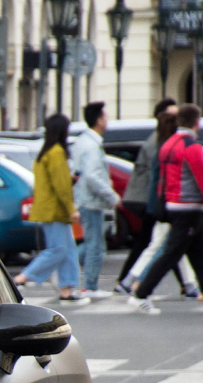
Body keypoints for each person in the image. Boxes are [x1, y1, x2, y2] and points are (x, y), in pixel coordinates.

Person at [128, 104, 203, 314]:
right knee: (171, 255)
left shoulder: (168, 144)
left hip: (174, 205)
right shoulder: (192, 148)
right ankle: (141, 294)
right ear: (197, 123)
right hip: (188, 207)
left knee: (201, 254)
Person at [119, 109, 200, 297]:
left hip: (162, 203)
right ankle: (132, 280)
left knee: (171, 245)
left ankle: (189, 284)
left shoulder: (161, 146)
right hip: (169, 203)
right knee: (161, 246)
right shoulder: (169, 148)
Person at [11, 114, 85, 301]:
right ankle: (22, 278)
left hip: (48, 208)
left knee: (68, 250)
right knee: (59, 249)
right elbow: (60, 186)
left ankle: (66, 290)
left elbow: (53, 182)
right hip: (55, 209)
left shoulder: (45, 153)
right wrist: (71, 209)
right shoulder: (57, 152)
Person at [115, 99, 177, 287]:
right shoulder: (157, 142)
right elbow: (157, 176)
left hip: (150, 199)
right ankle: (128, 281)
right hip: (147, 200)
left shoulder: (161, 140)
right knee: (155, 243)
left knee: (154, 242)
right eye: (173, 116)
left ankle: (126, 280)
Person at [72, 102, 120, 298]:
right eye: (106, 117)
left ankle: (66, 268)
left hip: (84, 199)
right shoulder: (92, 145)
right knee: (95, 245)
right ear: (99, 120)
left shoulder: (83, 141)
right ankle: (90, 286)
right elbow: (92, 176)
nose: (107, 120)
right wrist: (112, 196)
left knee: (91, 243)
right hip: (91, 201)